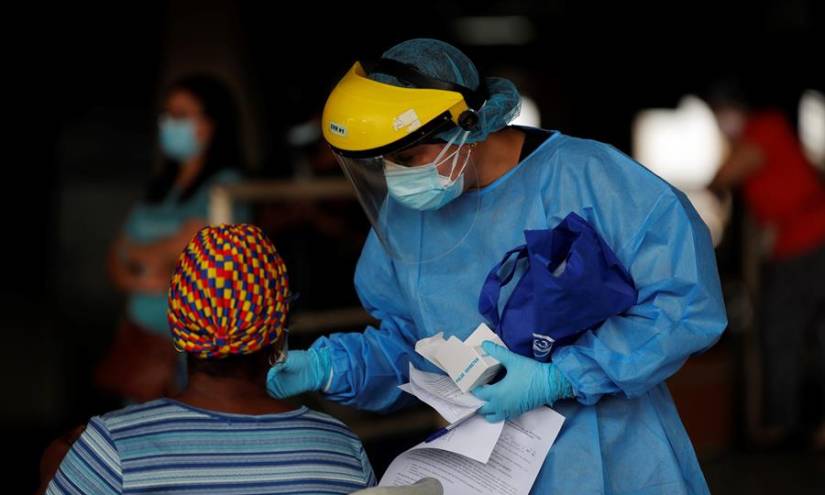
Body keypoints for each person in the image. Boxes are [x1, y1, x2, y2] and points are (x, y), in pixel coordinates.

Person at [265, 38, 728, 494]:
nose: (396, 175)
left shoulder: (588, 177)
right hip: (486, 470)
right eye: (384, 161)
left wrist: (563, 375)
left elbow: (684, 305)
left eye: (407, 157)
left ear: (466, 126)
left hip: (617, 458)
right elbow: (412, 350)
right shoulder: (407, 220)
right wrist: (329, 368)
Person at [47, 224, 376, 494]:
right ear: (278, 329)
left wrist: (57, 467)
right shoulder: (340, 448)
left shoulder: (110, 449)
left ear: (177, 325)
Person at [99, 74, 250, 401]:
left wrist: (138, 254)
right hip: (142, 342)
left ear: (212, 123)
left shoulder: (226, 186)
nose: (169, 124)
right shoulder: (159, 186)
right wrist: (142, 275)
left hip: (192, 349)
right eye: (166, 115)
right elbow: (116, 254)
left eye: (180, 115)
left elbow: (191, 245)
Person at [709, 84, 825, 450]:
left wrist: (714, 186)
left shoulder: (766, 128)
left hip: (811, 246)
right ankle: (789, 424)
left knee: (789, 334)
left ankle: (785, 426)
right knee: (792, 335)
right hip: (791, 250)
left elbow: (727, 174)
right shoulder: (752, 139)